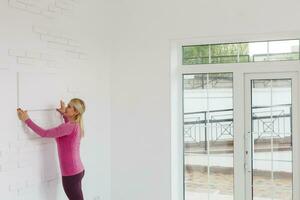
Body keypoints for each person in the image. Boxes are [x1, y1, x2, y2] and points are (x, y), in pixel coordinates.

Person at [17, 98, 86, 200]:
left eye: (70, 107)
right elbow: (66, 131)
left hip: (71, 174)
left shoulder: (69, 127)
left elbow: (44, 133)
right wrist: (65, 115)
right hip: (77, 171)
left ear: (75, 112)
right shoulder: (76, 125)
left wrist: (27, 120)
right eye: (68, 105)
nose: (66, 107)